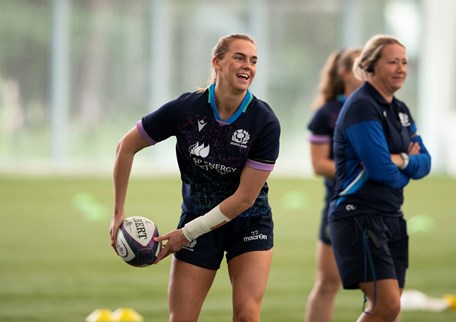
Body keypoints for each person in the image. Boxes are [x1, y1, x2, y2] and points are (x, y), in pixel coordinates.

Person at [109, 34, 281, 322]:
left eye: (253, 60)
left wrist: (185, 234)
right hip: (197, 217)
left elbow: (244, 198)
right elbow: (125, 147)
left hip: (249, 221)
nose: (248, 66)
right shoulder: (186, 109)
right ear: (217, 62)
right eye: (239, 57)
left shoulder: (263, 121)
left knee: (247, 316)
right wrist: (118, 214)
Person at [328, 34, 431, 322]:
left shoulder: (401, 110)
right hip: (359, 217)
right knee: (386, 307)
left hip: (391, 216)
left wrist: (401, 160)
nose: (401, 69)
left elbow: (426, 162)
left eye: (404, 62)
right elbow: (380, 171)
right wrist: (404, 169)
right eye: (392, 62)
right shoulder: (362, 106)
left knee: (387, 310)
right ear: (370, 67)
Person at [305, 48, 362, 322]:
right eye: (361, 66)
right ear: (345, 73)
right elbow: (319, 165)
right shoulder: (327, 113)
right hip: (340, 208)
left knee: (386, 291)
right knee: (328, 284)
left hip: (380, 209)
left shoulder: (382, 108)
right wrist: (366, 171)